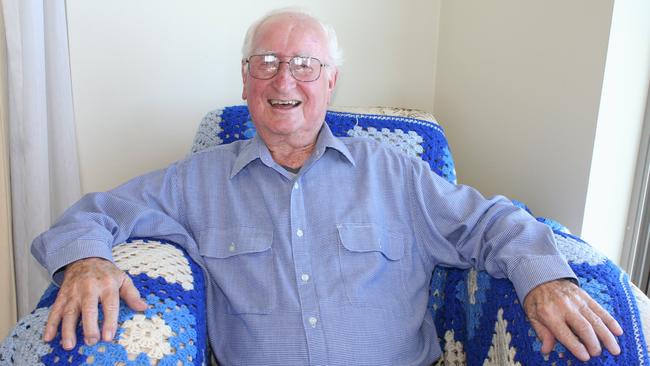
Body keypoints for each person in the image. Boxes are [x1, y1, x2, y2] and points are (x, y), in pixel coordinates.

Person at [33, 8, 623, 365]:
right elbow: (91, 214)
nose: (283, 77)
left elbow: (494, 220)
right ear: (245, 80)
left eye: (304, 65)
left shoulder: (395, 172)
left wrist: (544, 278)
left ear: (331, 82)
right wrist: (86, 261)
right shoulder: (196, 182)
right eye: (265, 62)